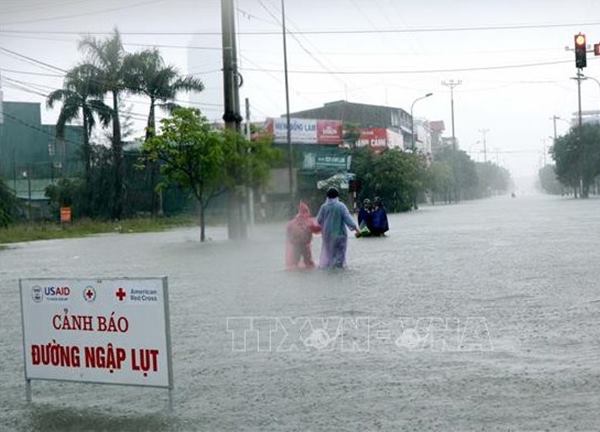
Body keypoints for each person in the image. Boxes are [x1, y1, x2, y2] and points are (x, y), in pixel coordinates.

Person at [316, 188, 358, 269]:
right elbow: (347, 218)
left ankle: (330, 272)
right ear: (337, 196)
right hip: (340, 235)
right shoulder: (341, 206)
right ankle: (338, 273)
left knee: (330, 255)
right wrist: (355, 228)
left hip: (327, 236)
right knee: (340, 256)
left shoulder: (324, 207)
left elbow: (318, 220)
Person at [285, 201, 321, 270]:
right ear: (306, 211)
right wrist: (324, 227)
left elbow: (288, 232)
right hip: (305, 245)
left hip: (295, 245)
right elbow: (316, 229)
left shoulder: (292, 222)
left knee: (294, 264)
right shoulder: (308, 221)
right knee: (309, 263)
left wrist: (291, 240)